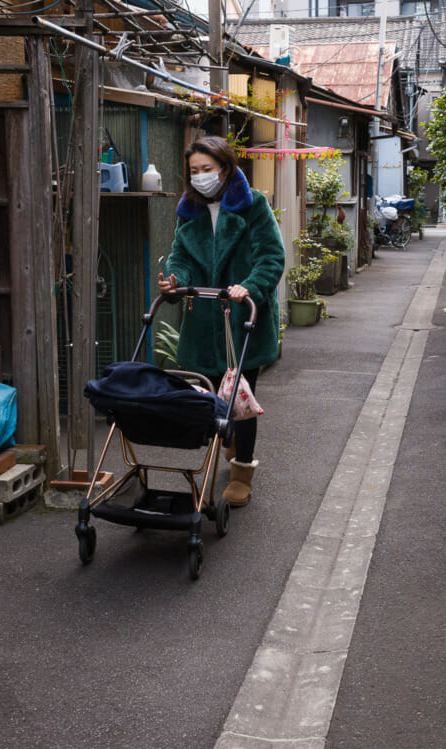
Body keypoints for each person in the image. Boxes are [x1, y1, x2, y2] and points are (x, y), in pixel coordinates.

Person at [158, 136, 285, 507]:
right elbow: (180, 257)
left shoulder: (254, 206)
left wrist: (249, 287)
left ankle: (243, 470)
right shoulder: (189, 211)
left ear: (226, 169)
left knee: (240, 399)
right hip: (203, 320)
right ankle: (226, 443)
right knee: (214, 395)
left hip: (243, 318)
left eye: (207, 170)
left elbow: (271, 257)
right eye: (194, 171)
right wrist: (174, 281)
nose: (200, 177)